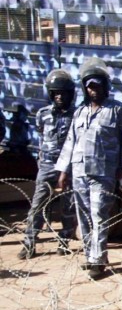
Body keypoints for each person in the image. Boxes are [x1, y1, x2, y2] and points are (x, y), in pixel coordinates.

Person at [56, 57, 122, 280]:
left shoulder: (117, 111)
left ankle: (98, 260)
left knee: (99, 214)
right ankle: (93, 255)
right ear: (84, 88)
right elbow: (70, 142)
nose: (93, 90)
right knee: (84, 217)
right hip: (80, 171)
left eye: (97, 86)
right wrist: (64, 172)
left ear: (105, 86)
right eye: (89, 87)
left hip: (104, 172)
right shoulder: (80, 112)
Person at [18, 69, 77, 260]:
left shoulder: (76, 115)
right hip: (47, 165)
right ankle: (29, 243)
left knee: (68, 207)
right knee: (37, 206)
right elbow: (41, 136)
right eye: (55, 93)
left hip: (68, 166)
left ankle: (64, 240)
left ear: (70, 93)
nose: (59, 97)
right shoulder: (43, 114)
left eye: (63, 93)